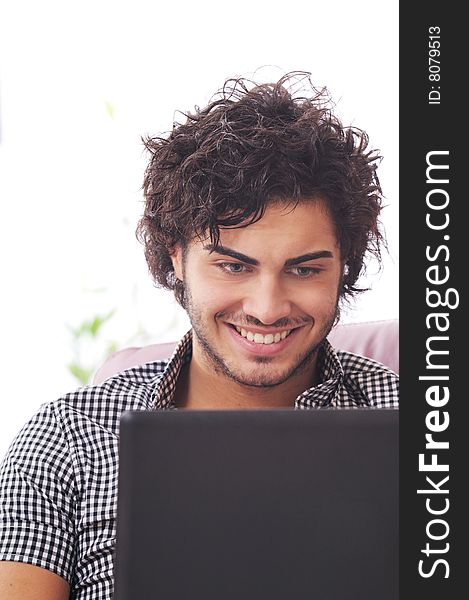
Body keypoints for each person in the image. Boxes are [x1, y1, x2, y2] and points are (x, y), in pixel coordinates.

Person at [0, 72, 398, 599]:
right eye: (233, 267)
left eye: (305, 270)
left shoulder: (427, 431)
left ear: (344, 268)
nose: (266, 308)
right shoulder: (69, 440)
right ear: (176, 259)